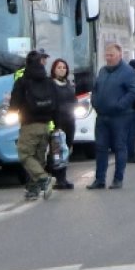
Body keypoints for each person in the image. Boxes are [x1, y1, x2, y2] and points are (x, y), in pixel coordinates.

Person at [86, 43, 135, 190]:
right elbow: (95, 89)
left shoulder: (128, 72)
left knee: (120, 147)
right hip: (102, 116)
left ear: (120, 55)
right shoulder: (102, 71)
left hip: (120, 116)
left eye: (111, 55)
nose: (108, 58)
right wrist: (95, 102)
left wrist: (120, 105)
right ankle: (100, 179)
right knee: (101, 148)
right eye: (107, 55)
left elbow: (133, 92)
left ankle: (118, 178)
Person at [10, 50, 58, 200]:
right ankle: (33, 188)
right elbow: (57, 104)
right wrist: (57, 125)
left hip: (29, 124)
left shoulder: (22, 81)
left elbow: (15, 103)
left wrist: (11, 111)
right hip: (46, 124)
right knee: (38, 158)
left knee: (25, 154)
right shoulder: (49, 81)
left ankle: (44, 179)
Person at [50, 58, 76, 189]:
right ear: (54, 69)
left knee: (67, 148)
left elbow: (74, 100)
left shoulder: (68, 84)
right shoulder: (50, 85)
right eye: (59, 67)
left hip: (70, 121)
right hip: (57, 122)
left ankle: (63, 178)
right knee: (57, 150)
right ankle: (57, 178)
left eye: (64, 67)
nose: (62, 70)